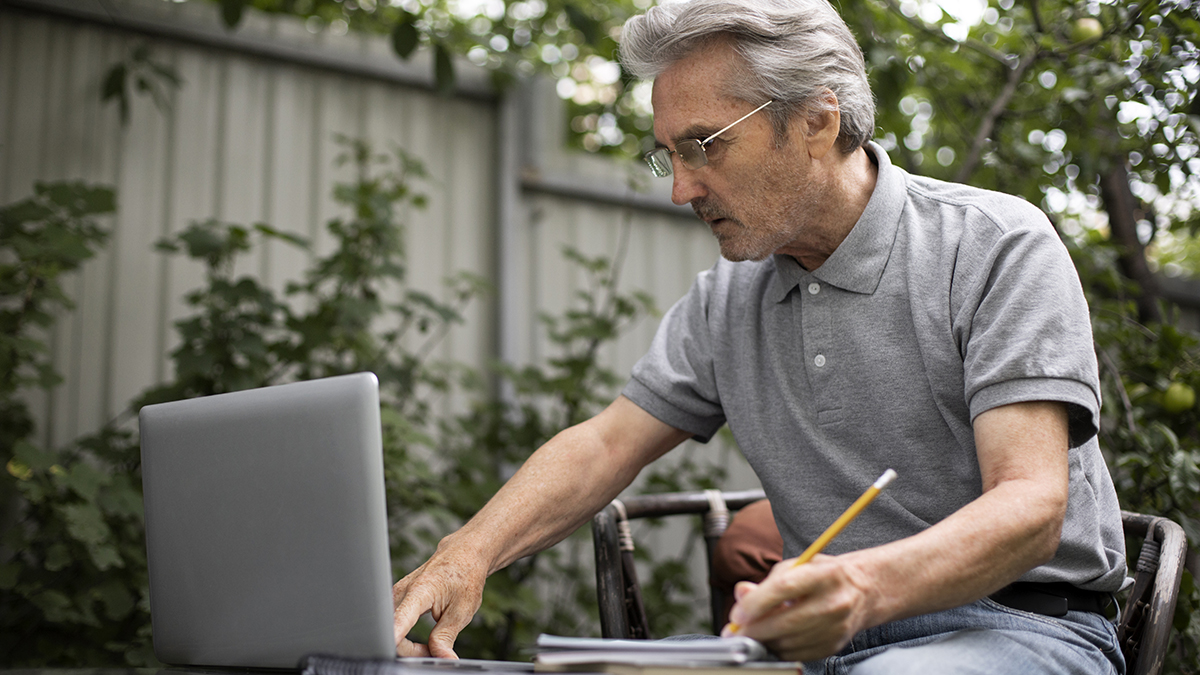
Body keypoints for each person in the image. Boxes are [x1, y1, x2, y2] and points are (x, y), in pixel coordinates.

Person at [391, 0, 1128, 672]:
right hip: (818, 647)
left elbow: (1031, 505)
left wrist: (861, 585)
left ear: (816, 120)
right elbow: (606, 443)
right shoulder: (728, 299)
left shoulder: (996, 246)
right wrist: (469, 550)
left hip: (1021, 629)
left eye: (704, 145)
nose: (681, 188)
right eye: (669, 155)